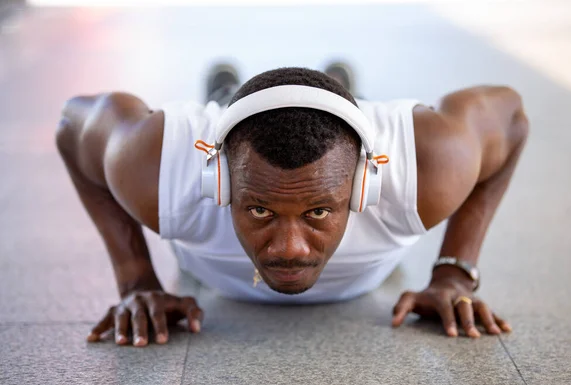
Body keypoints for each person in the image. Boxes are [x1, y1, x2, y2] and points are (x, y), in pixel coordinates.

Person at [56, 63, 528, 347]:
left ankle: (337, 85)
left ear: (364, 184)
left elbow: (511, 117)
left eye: (319, 211)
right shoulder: (159, 164)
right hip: (215, 273)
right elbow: (71, 127)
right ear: (217, 181)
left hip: (349, 244)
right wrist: (136, 281)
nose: (290, 249)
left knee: (339, 105)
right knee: (231, 111)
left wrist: (454, 272)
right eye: (259, 209)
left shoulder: (426, 163)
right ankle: (225, 95)